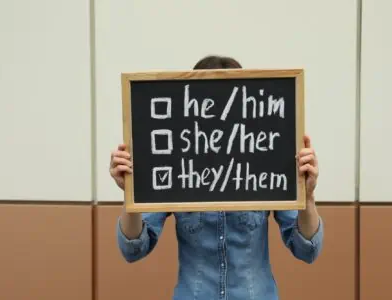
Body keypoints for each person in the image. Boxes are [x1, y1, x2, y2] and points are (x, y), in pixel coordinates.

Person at [110, 55, 324, 300]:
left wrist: (308, 197)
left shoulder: (266, 160)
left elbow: (307, 249)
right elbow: (133, 249)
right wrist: (132, 191)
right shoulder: (176, 165)